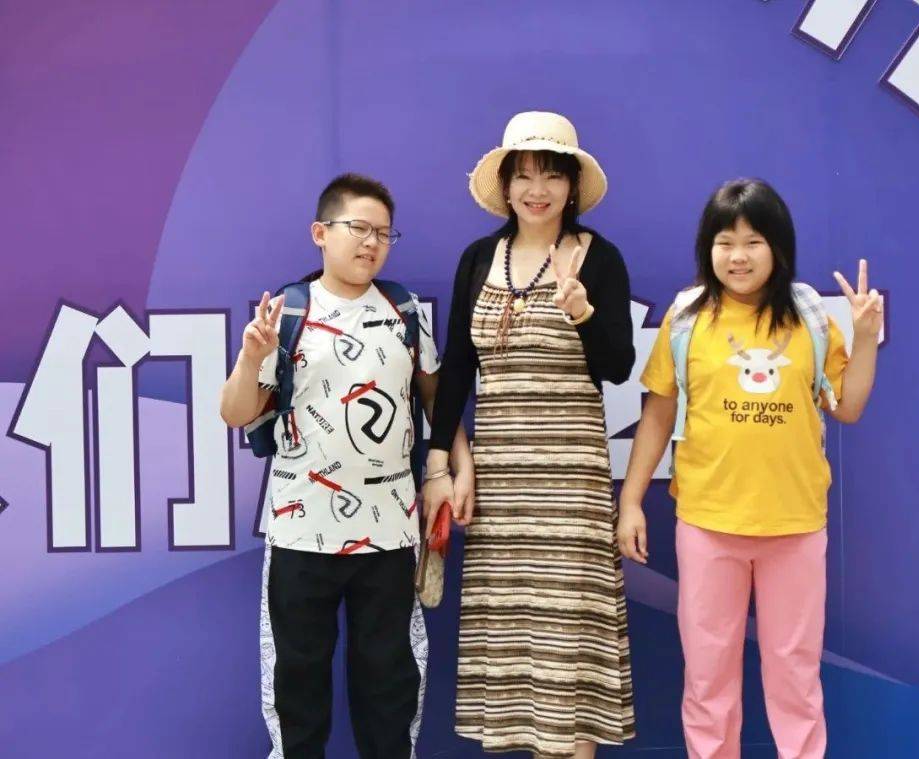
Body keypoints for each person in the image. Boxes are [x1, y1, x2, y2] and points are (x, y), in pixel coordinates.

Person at [618, 178, 883, 759]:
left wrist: (864, 339)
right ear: (707, 249)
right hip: (708, 525)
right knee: (708, 678)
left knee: (796, 677)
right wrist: (631, 501)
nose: (737, 257)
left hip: (795, 526)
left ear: (778, 247)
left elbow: (849, 408)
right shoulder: (687, 318)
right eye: (724, 242)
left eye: (753, 241)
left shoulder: (810, 318)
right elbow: (657, 414)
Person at [219, 173, 470, 758]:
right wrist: (250, 359)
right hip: (300, 529)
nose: (371, 243)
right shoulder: (286, 313)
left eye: (384, 233)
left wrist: (456, 469)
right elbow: (235, 413)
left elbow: (438, 400)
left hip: (389, 532)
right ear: (320, 233)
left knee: (389, 688)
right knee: (297, 686)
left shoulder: (404, 311)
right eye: (358, 228)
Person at [424, 111, 637, 758]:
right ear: (506, 185)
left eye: (550, 175)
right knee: (513, 656)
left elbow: (618, 366)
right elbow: (456, 369)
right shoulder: (477, 259)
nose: (536, 189)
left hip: (570, 488)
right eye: (523, 175)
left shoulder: (599, 258)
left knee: (567, 650)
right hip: (500, 489)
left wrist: (583, 312)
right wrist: (441, 463)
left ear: (572, 186)